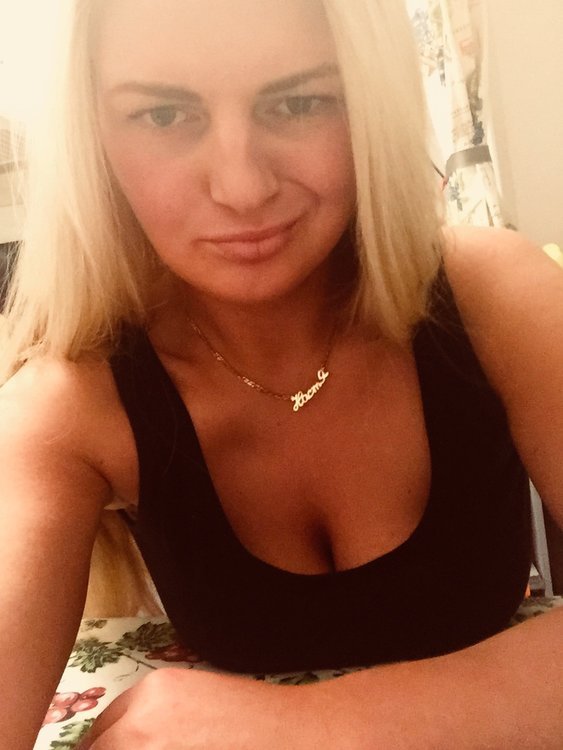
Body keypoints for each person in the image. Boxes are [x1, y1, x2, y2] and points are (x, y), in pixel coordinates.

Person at [0, 0, 562, 747]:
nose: (242, 188)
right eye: (164, 116)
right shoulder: (70, 399)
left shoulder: (494, 296)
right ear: (92, 138)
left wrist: (299, 726)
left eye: (299, 103)